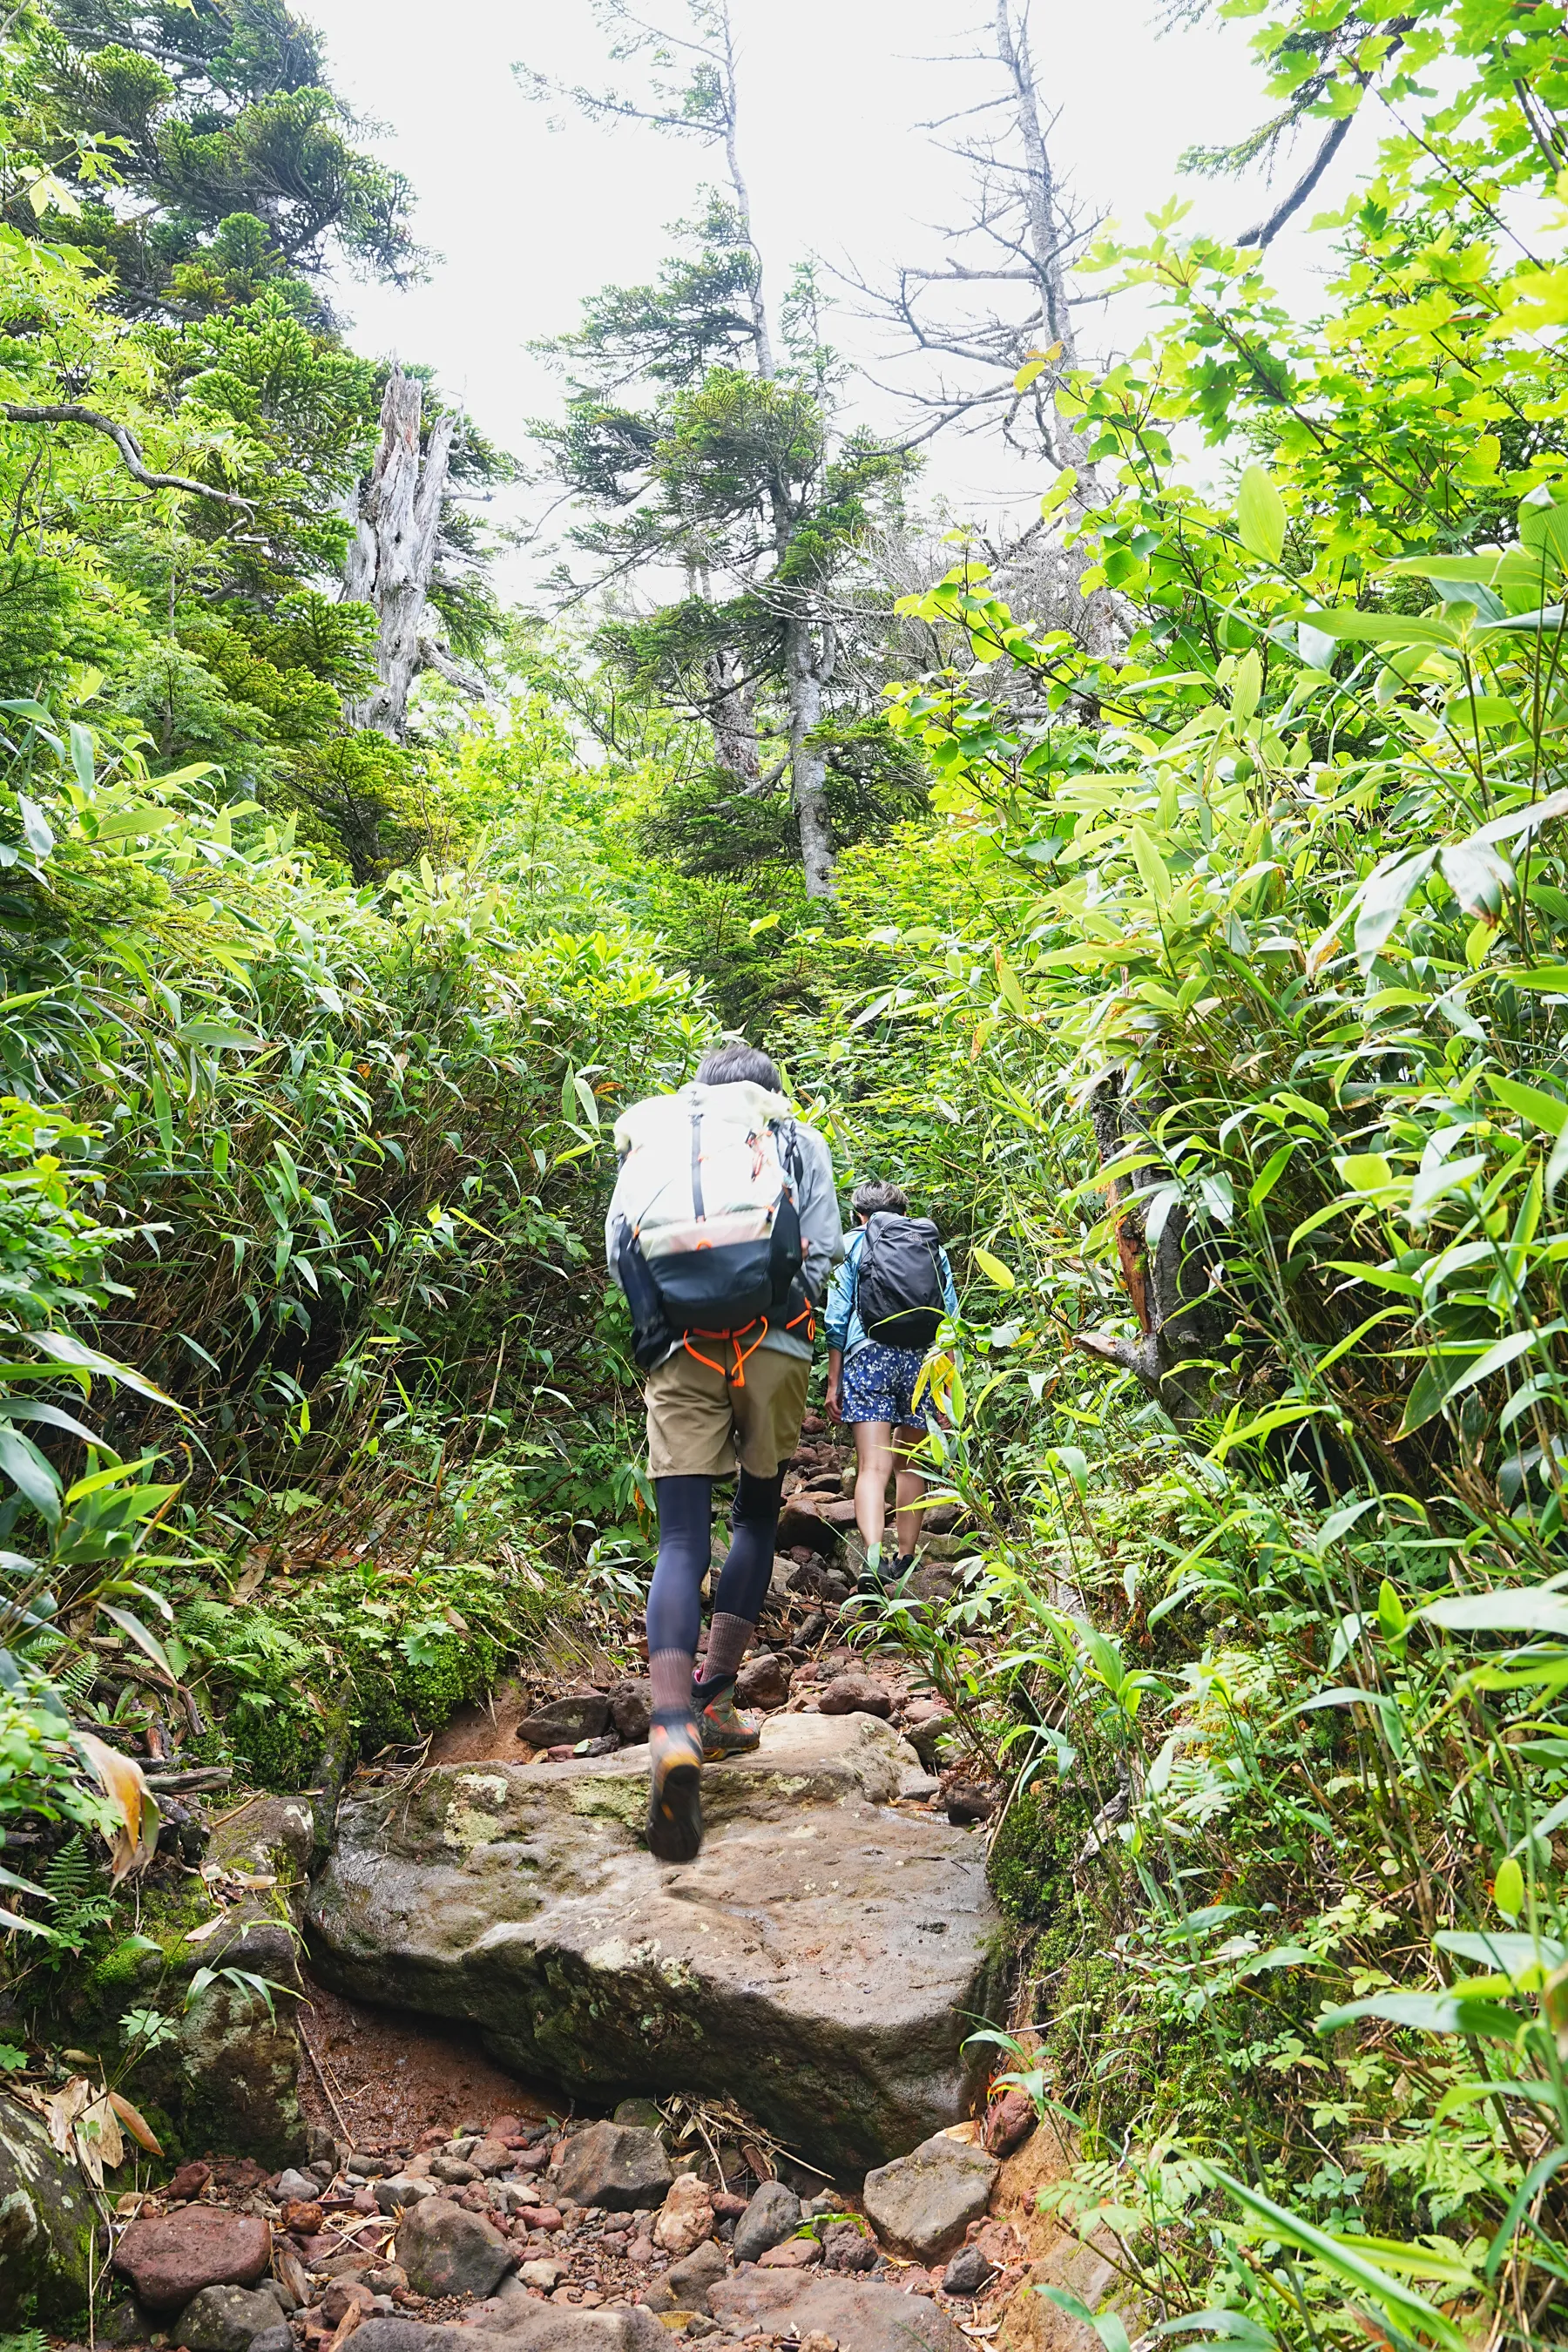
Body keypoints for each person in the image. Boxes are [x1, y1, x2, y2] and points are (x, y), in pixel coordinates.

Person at [605, 1041, 843, 1864]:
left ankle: (670, 1728)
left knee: (678, 1539)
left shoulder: (656, 1139)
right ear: (771, 1097)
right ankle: (716, 1701)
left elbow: (620, 1249)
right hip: (773, 1346)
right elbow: (824, 1250)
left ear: (697, 1094)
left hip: (678, 1352)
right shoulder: (794, 1139)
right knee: (753, 1514)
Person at [824, 1179, 958, 1586]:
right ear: (903, 1211)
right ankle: (905, 1559)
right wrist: (948, 1387)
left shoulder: (852, 1244)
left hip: (869, 1356)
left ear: (860, 1215)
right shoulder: (929, 1243)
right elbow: (948, 1316)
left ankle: (873, 1557)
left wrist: (834, 1382)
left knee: (873, 1466)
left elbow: (837, 1316)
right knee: (910, 1463)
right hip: (922, 1360)